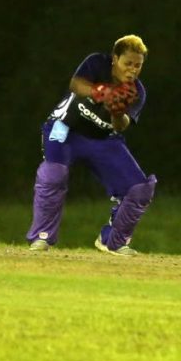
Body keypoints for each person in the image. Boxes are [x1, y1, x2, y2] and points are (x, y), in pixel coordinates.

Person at [26, 35, 156, 256]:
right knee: (53, 174)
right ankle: (42, 237)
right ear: (115, 59)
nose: (133, 70)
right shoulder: (97, 63)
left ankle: (113, 241)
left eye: (138, 65)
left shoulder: (137, 91)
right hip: (63, 129)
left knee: (139, 189)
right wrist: (103, 93)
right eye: (128, 63)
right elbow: (76, 85)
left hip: (103, 139)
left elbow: (121, 126)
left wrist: (117, 110)